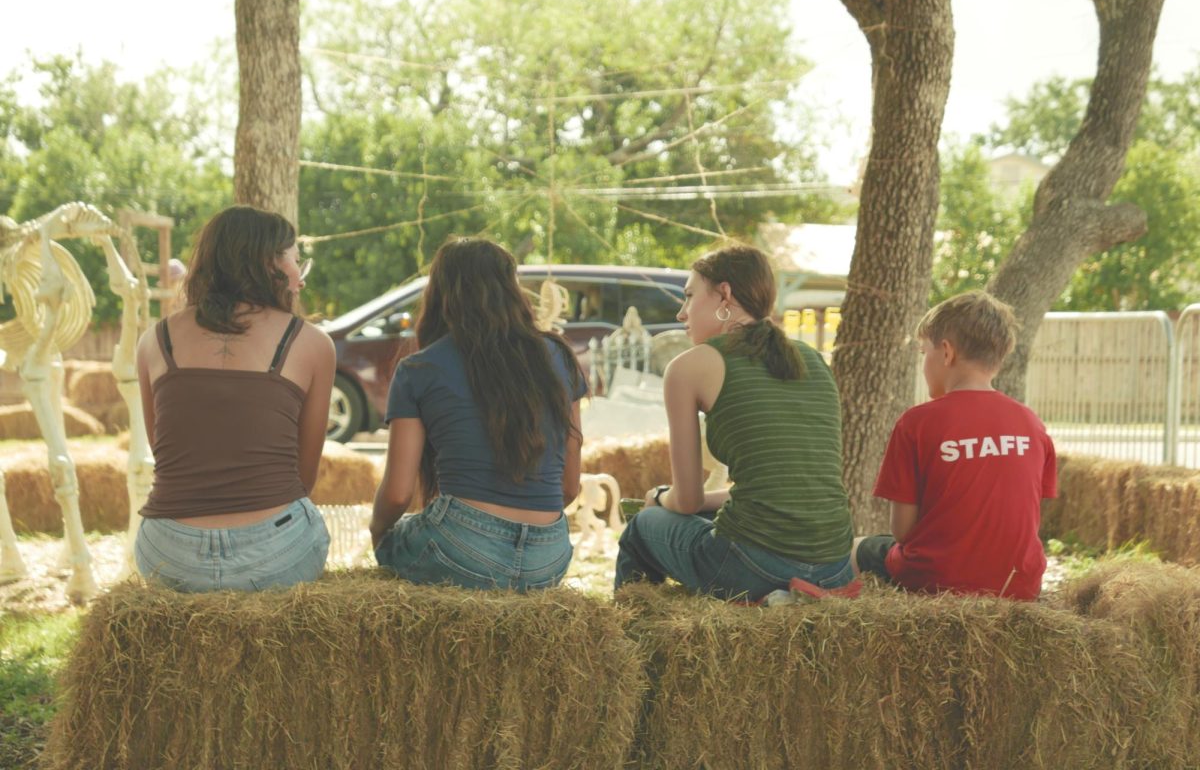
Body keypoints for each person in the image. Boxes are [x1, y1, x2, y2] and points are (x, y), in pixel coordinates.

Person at [614, 244, 855, 601]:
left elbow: (687, 500)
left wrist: (659, 497)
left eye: (690, 296)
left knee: (641, 527)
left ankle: (634, 644)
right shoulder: (813, 360)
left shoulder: (688, 367)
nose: (682, 313)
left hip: (754, 567)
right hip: (835, 567)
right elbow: (779, 489)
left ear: (724, 294)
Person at [134, 205, 335, 592]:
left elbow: (166, 455)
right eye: (297, 262)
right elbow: (303, 478)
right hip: (277, 554)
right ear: (268, 264)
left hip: (169, 555)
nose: (301, 279)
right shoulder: (312, 343)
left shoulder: (154, 341)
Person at [371, 238, 586, 591]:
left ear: (440, 294)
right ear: (512, 288)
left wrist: (380, 534)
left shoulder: (419, 368)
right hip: (548, 559)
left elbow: (397, 494)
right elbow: (569, 485)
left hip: (459, 549)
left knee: (397, 539)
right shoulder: (560, 358)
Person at [853, 291, 1057, 600]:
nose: (924, 364)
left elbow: (902, 532)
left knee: (857, 548)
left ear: (946, 353)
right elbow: (1026, 514)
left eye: (924, 352)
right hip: (1020, 585)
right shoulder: (1032, 424)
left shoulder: (916, 423)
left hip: (935, 580)